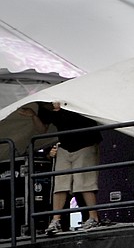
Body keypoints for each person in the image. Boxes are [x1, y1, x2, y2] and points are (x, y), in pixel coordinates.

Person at [17, 101, 102, 235]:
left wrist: (62, 107)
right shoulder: (43, 106)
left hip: (86, 143)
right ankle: (56, 220)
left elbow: (87, 115)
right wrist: (34, 115)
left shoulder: (68, 97)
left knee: (84, 182)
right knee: (60, 183)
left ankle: (93, 218)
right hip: (65, 146)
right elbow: (42, 129)